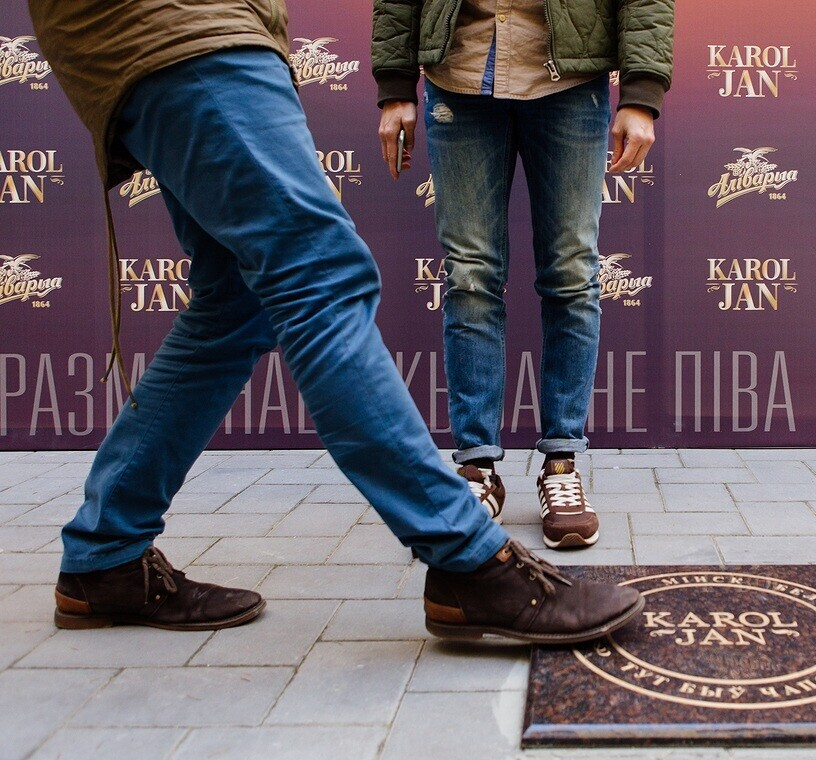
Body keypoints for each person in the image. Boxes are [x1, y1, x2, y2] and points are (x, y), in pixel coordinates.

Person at [28, 0, 643, 643]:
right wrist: (395, 80)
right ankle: (468, 558)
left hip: (166, 40)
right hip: (184, 32)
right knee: (322, 274)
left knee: (236, 300)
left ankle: (106, 553)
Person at [372, 0, 674, 549]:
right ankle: (477, 468)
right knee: (470, 279)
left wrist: (641, 92)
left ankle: (562, 463)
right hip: (460, 74)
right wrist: (395, 86)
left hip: (568, 81)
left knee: (572, 275)